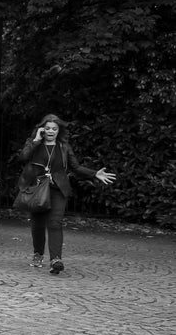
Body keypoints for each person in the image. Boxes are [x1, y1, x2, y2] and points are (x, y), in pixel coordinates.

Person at [18, 114, 116, 275]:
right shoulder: (34, 144)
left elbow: (76, 168)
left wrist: (94, 174)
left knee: (55, 223)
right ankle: (38, 254)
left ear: (59, 131)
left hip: (58, 190)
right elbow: (23, 157)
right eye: (48, 128)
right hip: (37, 189)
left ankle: (56, 260)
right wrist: (36, 139)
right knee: (38, 225)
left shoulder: (64, 146)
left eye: (54, 129)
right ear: (42, 129)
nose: (51, 131)